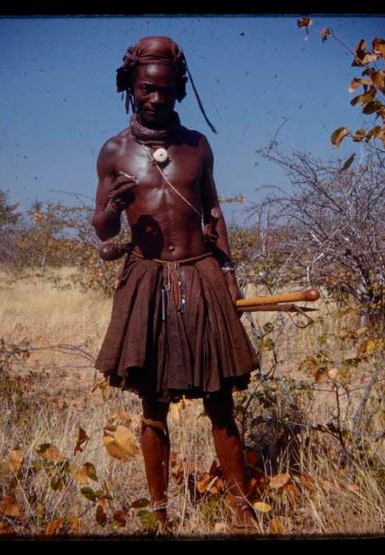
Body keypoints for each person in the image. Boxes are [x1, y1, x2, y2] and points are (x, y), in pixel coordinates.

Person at [92, 36, 260, 532]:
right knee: (153, 406)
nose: (157, 99)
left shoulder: (197, 146)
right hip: (147, 282)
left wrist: (228, 273)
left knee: (220, 402)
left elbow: (212, 212)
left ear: (179, 89)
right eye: (147, 89)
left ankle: (241, 511)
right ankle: (160, 516)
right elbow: (102, 230)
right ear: (131, 86)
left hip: (202, 274)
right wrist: (113, 210)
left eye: (166, 90)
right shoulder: (113, 152)